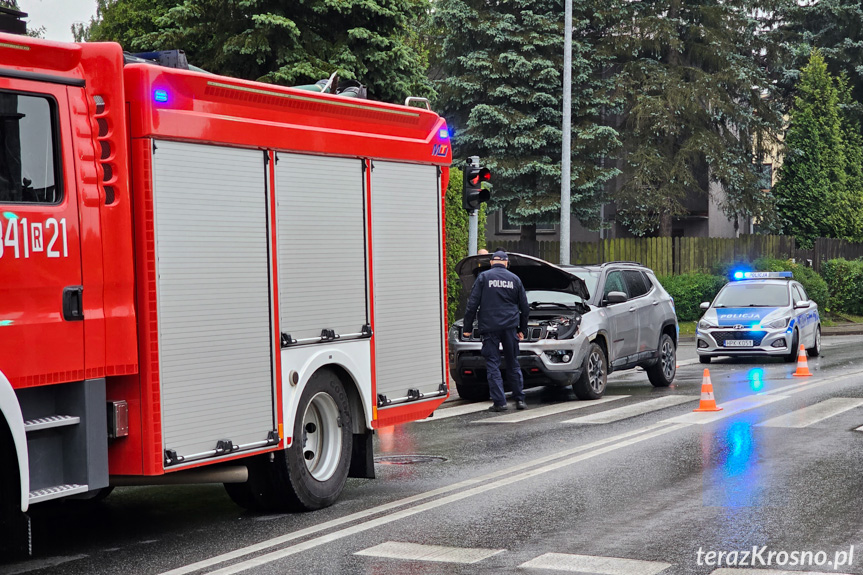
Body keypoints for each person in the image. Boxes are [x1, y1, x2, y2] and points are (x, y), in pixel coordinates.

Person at [463, 250, 529, 411]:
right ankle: (520, 399)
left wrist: (467, 328)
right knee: (513, 363)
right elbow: (524, 307)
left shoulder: (483, 277)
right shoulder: (515, 279)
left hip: (489, 327)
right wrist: (522, 329)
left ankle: (500, 403)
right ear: (506, 262)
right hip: (510, 327)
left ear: (492, 262)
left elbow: (472, 304)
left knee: (493, 363)